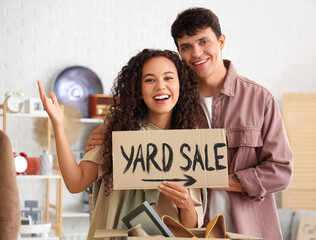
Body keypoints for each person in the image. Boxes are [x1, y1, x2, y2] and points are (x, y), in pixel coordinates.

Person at [86, 7, 293, 240]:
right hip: (189, 231)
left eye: (204, 41)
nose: (196, 53)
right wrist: (110, 128)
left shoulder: (259, 99)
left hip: (248, 229)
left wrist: (211, 178)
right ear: (179, 52)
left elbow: (280, 171)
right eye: (186, 47)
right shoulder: (172, 98)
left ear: (221, 41)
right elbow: (138, 118)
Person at [38, 49, 205, 240]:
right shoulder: (118, 132)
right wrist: (58, 126)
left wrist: (186, 204)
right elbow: (76, 182)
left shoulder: (191, 145)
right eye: (150, 80)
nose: (161, 86)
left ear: (181, 85)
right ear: (138, 90)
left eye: (169, 78)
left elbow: (191, 225)